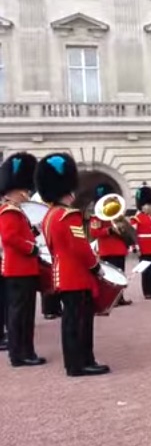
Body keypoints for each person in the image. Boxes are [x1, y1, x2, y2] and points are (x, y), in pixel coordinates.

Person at [35, 153, 109, 377]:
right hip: (76, 275)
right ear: (67, 192)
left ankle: (76, 362)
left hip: (63, 274)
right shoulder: (68, 216)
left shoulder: (49, 216)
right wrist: (96, 267)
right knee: (80, 322)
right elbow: (81, 248)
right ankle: (81, 363)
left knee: (71, 321)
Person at [0, 153, 46, 367]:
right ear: (16, 191)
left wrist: (35, 234)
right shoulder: (9, 211)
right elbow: (10, 238)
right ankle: (20, 354)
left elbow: (21, 235)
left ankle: (25, 351)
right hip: (18, 270)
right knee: (19, 315)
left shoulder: (17, 212)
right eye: (26, 190)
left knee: (25, 315)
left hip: (24, 269)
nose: (28, 194)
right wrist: (32, 248)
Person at [89, 183, 133, 306]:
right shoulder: (97, 217)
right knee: (110, 277)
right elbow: (94, 232)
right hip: (107, 250)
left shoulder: (117, 213)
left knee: (121, 275)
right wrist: (109, 230)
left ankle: (120, 297)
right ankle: (111, 299)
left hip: (119, 248)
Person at [130, 184, 151, 300]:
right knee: (147, 272)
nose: (150, 207)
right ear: (141, 206)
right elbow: (132, 234)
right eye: (147, 205)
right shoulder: (136, 218)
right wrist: (136, 248)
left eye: (150, 205)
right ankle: (147, 292)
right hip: (144, 249)